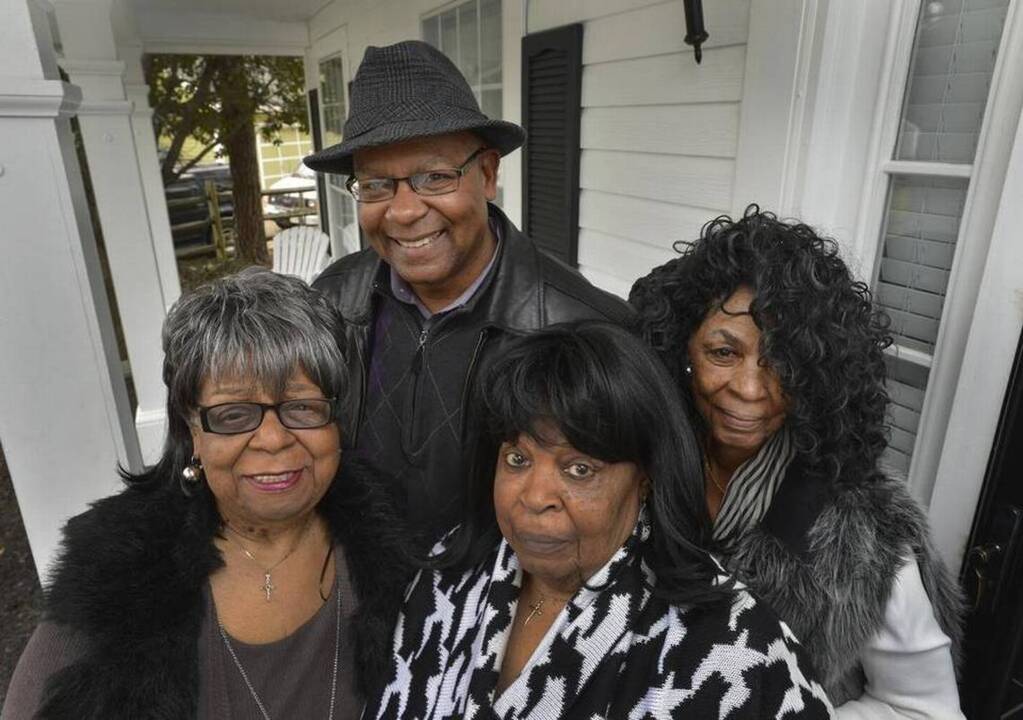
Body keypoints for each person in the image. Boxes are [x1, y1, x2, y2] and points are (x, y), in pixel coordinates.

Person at [362, 322, 835, 719]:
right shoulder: (450, 576)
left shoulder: (737, 651)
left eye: (579, 469)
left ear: (646, 478)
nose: (534, 497)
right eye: (517, 458)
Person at [2, 268, 410, 720]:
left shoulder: (390, 543)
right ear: (191, 432)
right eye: (234, 414)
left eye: (301, 407)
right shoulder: (121, 574)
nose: (273, 439)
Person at [630, 208, 965, 717]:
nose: (748, 389)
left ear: (816, 372)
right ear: (683, 349)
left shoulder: (864, 538)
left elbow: (927, 709)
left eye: (781, 362)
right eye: (724, 352)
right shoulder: (635, 467)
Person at [303, 40, 632, 541]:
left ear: (488, 174)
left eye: (435, 177)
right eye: (375, 185)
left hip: (493, 608)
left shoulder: (587, 331)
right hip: (359, 584)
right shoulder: (332, 300)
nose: (405, 211)